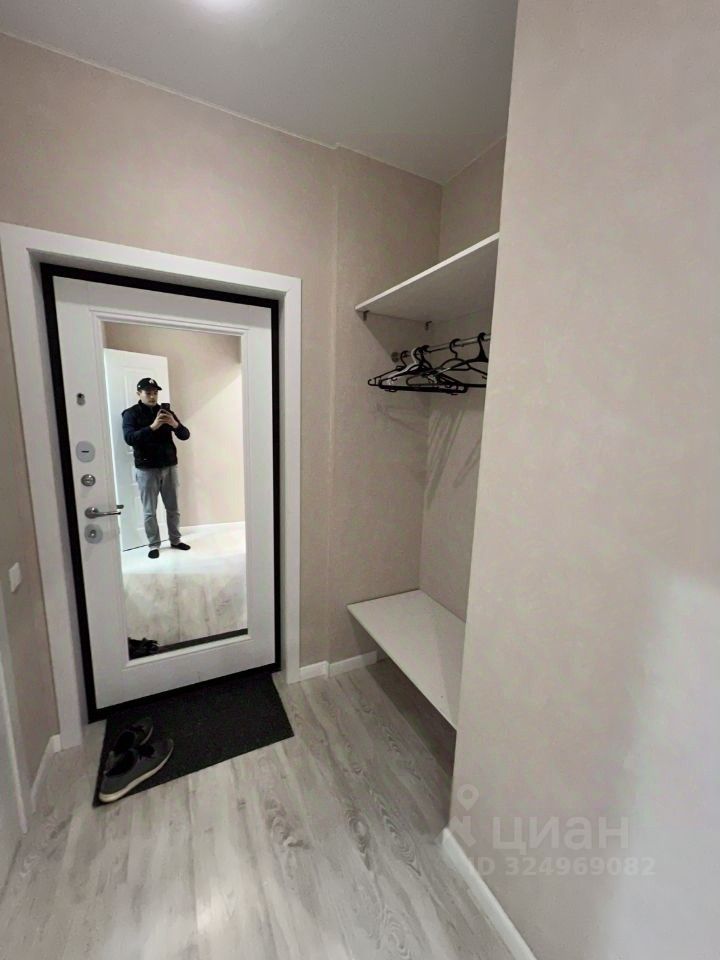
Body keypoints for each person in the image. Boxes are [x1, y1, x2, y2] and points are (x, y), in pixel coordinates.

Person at [122, 377, 192, 559]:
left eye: (155, 393)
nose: (152, 396)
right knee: (149, 511)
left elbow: (185, 435)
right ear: (139, 393)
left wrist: (174, 424)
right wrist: (153, 427)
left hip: (170, 466)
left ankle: (175, 540)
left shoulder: (166, 412)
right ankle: (153, 545)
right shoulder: (130, 414)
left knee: (173, 508)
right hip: (146, 469)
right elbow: (129, 438)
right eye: (148, 393)